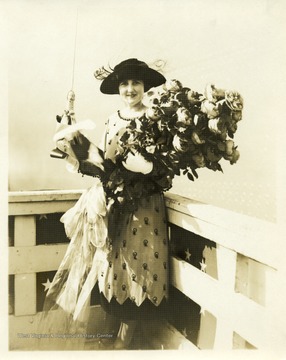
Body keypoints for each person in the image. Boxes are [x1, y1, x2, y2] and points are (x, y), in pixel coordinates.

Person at [49, 58, 169, 350]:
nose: (130, 89)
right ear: (118, 88)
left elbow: (167, 169)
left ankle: (126, 341)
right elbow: (104, 162)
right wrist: (72, 142)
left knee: (141, 264)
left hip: (145, 205)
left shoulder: (156, 118)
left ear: (145, 86)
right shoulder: (113, 118)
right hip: (115, 201)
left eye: (136, 83)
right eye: (125, 83)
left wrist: (148, 169)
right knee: (115, 264)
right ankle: (116, 331)